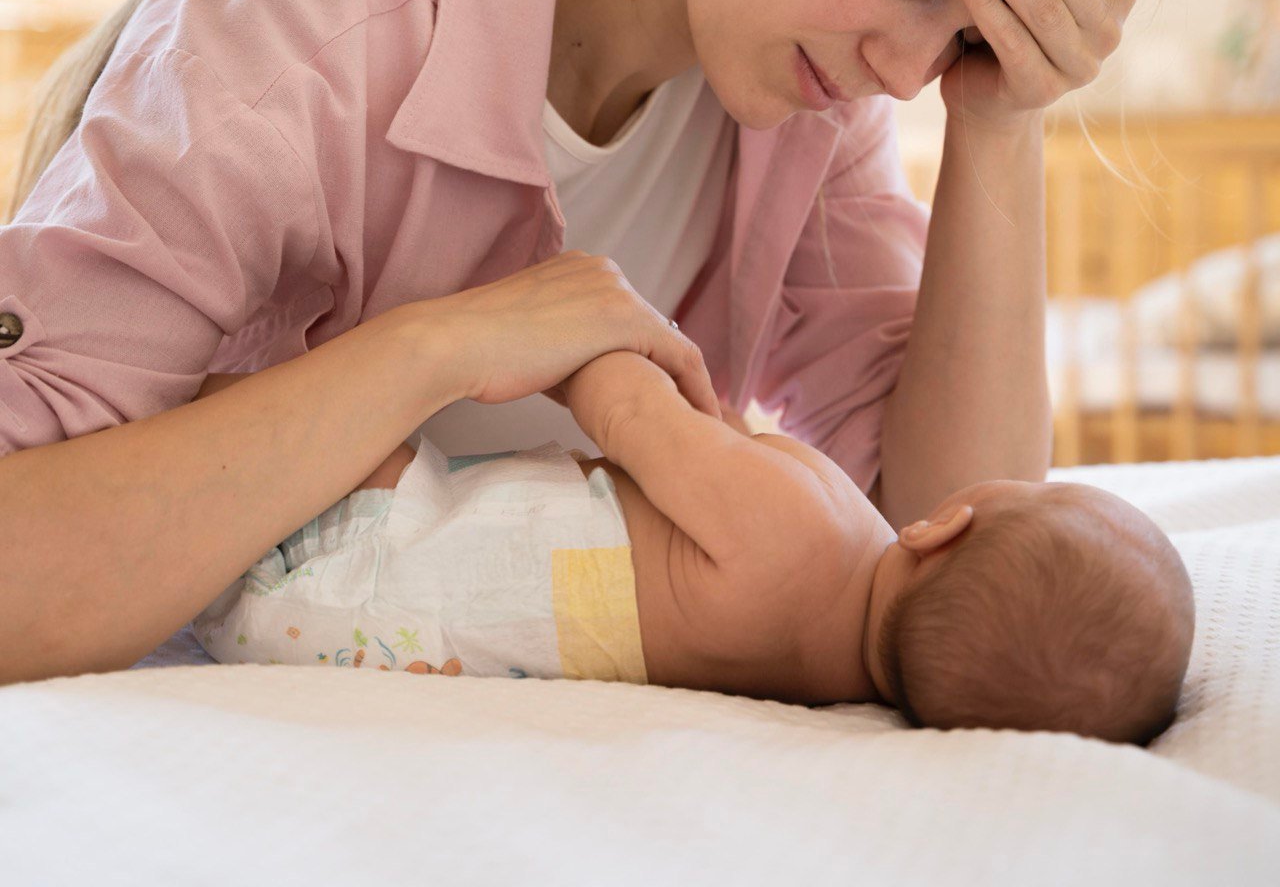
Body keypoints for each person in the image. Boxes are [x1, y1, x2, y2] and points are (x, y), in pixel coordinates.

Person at [0, 0, 1169, 685]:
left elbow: (953, 555)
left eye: (962, 33)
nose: (908, 72)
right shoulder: (294, 20)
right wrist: (440, 347)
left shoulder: (810, 106)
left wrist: (1000, 118)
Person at [191, 346, 1196, 745]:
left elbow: (631, 413)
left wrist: (592, 328)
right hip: (339, 637)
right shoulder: (814, 679)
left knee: (276, 391)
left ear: (938, 527)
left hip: (368, 545)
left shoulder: (813, 526)